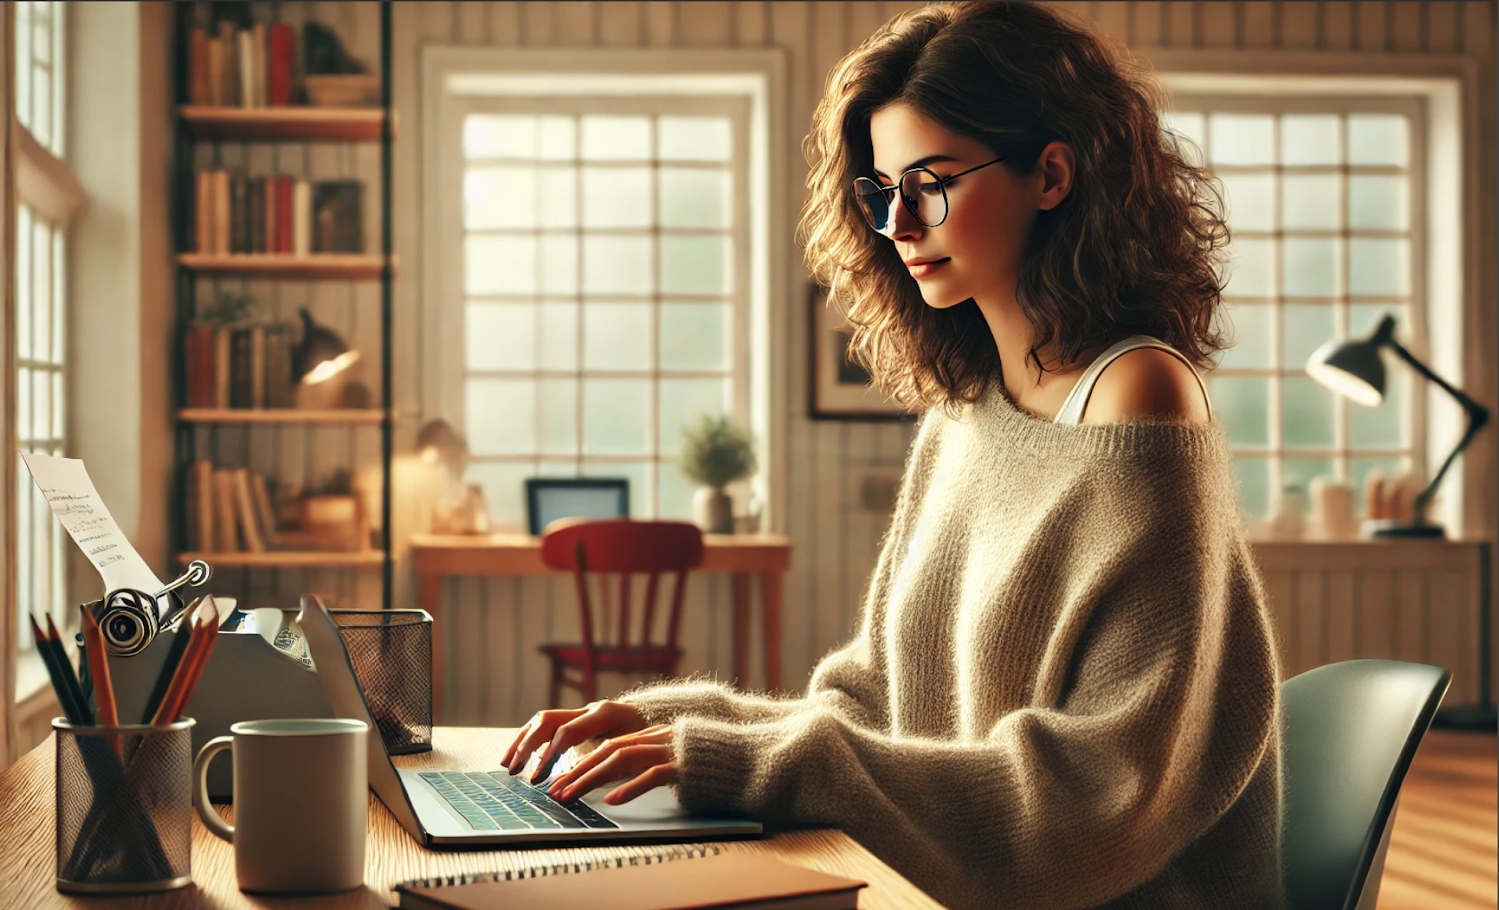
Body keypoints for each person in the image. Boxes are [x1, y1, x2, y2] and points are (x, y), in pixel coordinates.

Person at [499, 4, 1283, 908]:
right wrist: (670, 723)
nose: (900, 223)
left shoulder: (1141, 397)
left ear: (1053, 174)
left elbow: (1099, 793)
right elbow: (875, 706)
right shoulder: (967, 411)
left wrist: (731, 759)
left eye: (931, 182)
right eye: (880, 192)